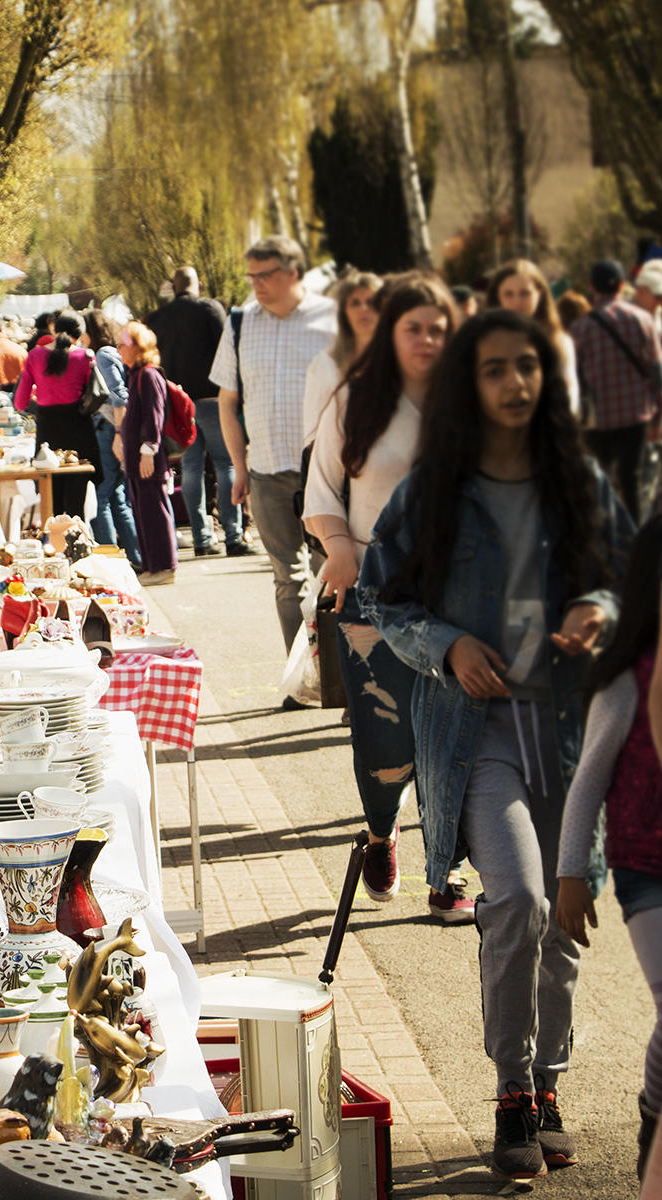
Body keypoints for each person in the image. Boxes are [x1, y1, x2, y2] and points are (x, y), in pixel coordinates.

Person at [358, 308, 633, 1180]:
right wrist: (446, 646)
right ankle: (512, 1087)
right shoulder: (431, 489)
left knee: (565, 912)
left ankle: (549, 1082)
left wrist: (603, 607)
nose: (516, 384)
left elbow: (630, 578)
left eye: (528, 367)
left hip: (571, 731)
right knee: (516, 897)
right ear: (467, 389)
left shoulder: (577, 479)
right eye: (495, 370)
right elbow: (383, 602)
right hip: (475, 734)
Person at [303, 272, 474, 921]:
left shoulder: (471, 401)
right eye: (414, 328)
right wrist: (338, 545)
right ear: (389, 332)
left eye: (439, 328)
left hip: (456, 595)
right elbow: (320, 488)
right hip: (373, 590)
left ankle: (447, 870)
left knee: (450, 734)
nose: (428, 339)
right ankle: (381, 831)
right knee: (385, 739)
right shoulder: (357, 398)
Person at [555, 515, 662, 1184]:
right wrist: (572, 873)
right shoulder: (626, 679)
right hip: (646, 869)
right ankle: (654, 1111)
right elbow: (587, 781)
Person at [211, 235, 336, 655]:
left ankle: (343, 684)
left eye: (266, 276)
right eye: (252, 276)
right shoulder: (240, 323)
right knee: (288, 580)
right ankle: (305, 680)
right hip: (266, 470)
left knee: (332, 575)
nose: (257, 285)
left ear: (293, 272)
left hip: (326, 474)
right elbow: (228, 402)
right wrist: (239, 468)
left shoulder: (332, 319)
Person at [147, 267, 252, 558]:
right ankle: (233, 536)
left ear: (172, 286)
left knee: (191, 468)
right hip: (214, 397)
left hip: (179, 403)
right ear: (198, 284)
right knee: (226, 464)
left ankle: (202, 538)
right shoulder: (210, 308)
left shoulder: (158, 318)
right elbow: (229, 347)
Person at [571, 258, 662, 523]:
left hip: (598, 418)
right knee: (631, 478)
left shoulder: (580, 328)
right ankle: (633, 533)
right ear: (623, 285)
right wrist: (658, 415)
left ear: (591, 287)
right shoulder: (643, 319)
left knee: (601, 479)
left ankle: (605, 532)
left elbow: (575, 377)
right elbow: (657, 371)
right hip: (636, 414)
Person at [13, 309, 103, 518]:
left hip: (48, 431)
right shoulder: (85, 357)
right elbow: (95, 394)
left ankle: (54, 543)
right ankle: (76, 541)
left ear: (55, 330)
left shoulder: (35, 355)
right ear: (78, 335)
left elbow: (19, 402)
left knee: (51, 498)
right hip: (79, 429)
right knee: (77, 497)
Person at [115, 322, 177, 585]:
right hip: (138, 458)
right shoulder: (137, 375)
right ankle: (153, 566)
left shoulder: (148, 375)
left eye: (122, 345)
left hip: (146, 457)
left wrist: (148, 450)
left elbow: (155, 417)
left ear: (136, 347)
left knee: (154, 510)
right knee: (144, 510)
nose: (118, 350)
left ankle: (165, 567)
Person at [81, 309, 142, 569]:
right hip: (113, 428)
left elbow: (119, 395)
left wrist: (119, 433)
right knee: (117, 495)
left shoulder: (103, 355)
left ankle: (110, 561)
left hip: (108, 428)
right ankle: (136, 557)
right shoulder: (111, 353)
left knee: (102, 494)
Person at [487, 259, 580, 415]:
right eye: (508, 294)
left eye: (525, 293)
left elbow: (569, 398)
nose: (517, 302)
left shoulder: (558, 342)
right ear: (498, 297)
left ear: (540, 294)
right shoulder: (486, 342)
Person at [302, 269, 381, 449]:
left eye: (371, 302)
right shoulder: (325, 364)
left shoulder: (399, 359)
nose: (364, 309)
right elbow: (312, 436)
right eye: (355, 303)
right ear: (343, 311)